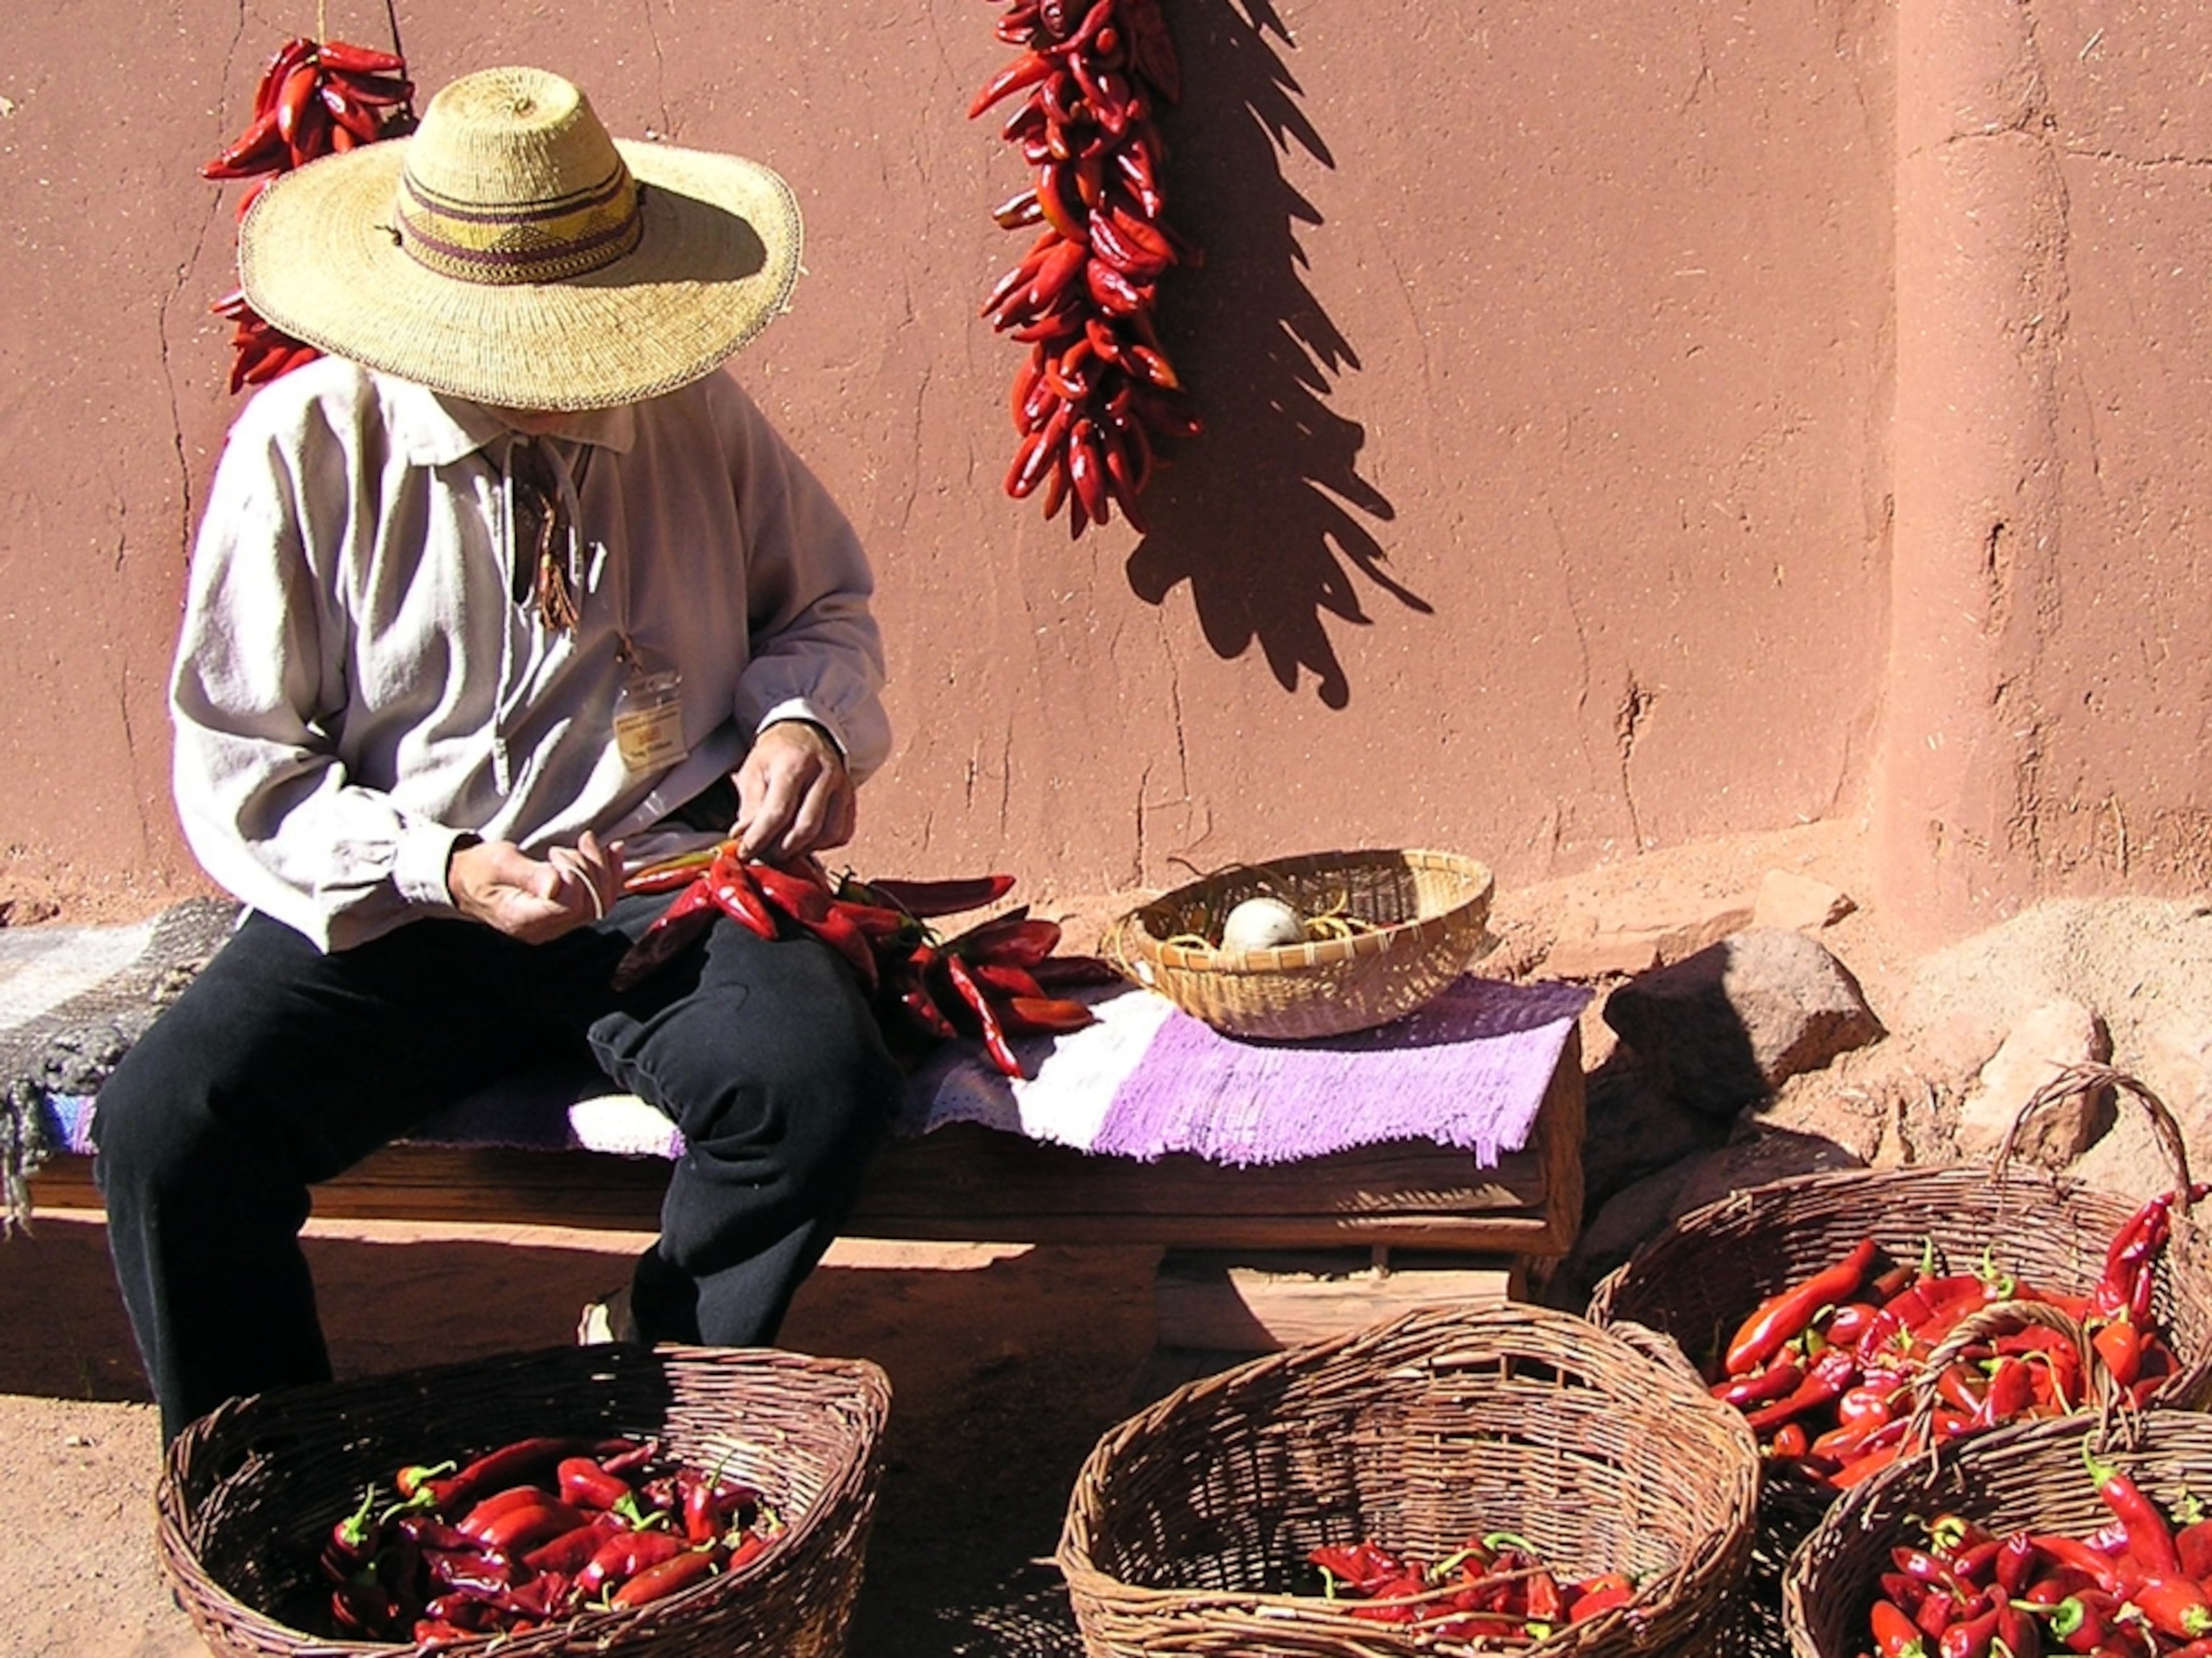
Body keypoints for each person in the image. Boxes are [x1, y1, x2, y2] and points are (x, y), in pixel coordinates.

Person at [92, 64, 905, 1443]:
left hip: (666, 879)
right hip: (399, 903)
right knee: (170, 1133)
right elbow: (245, 763)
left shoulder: (690, 409)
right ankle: (269, 1472)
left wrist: (799, 721)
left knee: (815, 1085)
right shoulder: (305, 447)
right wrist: (447, 867)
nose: (564, 384)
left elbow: (820, 606)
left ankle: (654, 1375)